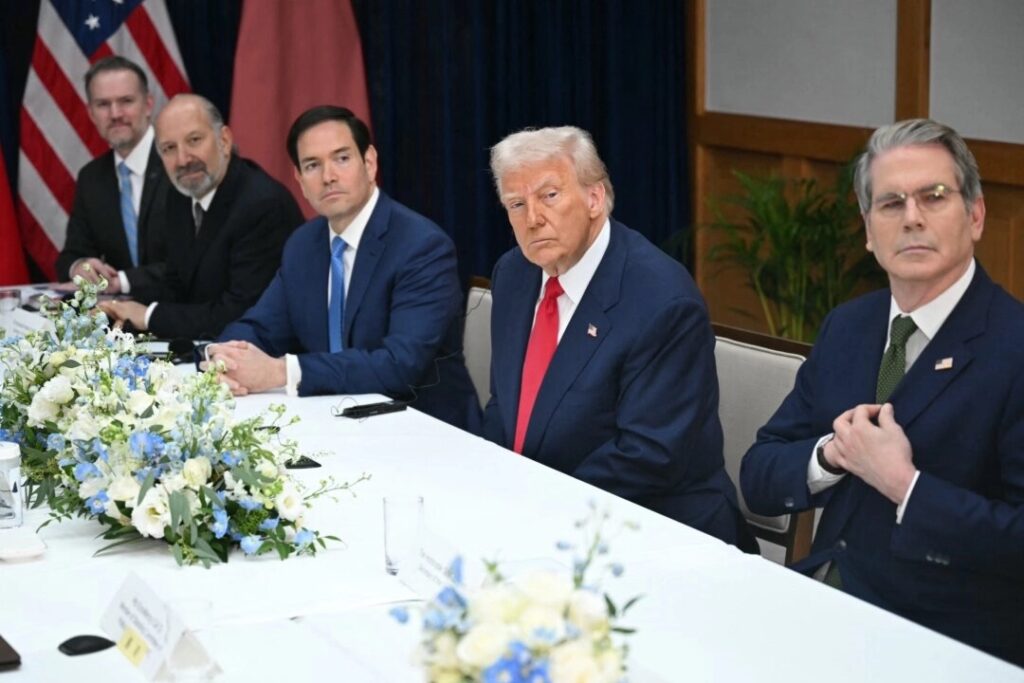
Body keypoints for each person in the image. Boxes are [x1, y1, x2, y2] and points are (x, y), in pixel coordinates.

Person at [740, 119, 1024, 666]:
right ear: (868, 230)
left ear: (976, 215)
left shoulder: (1014, 347)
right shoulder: (849, 326)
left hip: (947, 637)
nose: (912, 217)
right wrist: (830, 456)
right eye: (891, 203)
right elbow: (760, 475)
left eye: (933, 197)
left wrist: (905, 485)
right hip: (825, 599)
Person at [483, 126, 753, 549]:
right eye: (517, 204)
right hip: (536, 515)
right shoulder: (514, 273)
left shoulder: (662, 301)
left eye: (549, 196)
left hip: (653, 530)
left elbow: (647, 455)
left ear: (595, 198)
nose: (532, 218)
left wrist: (537, 512)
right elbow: (505, 406)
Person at [206, 105, 480, 431]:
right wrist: (222, 358)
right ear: (299, 180)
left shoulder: (421, 246)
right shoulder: (303, 245)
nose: (328, 176)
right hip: (334, 422)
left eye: (342, 158)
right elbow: (261, 328)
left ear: (370, 162)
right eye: (312, 165)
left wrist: (282, 372)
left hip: (424, 429)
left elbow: (399, 365)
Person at [100, 94, 303, 340]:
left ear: (224, 141)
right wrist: (115, 309)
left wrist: (149, 315)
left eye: (194, 140)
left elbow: (242, 314)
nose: (183, 160)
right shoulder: (180, 195)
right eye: (169, 148)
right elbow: (177, 285)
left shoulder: (262, 205)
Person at [55, 56, 170, 302]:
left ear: (148, 105)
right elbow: (71, 254)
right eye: (103, 104)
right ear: (91, 113)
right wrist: (80, 267)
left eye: (126, 101)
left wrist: (124, 281)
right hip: (118, 316)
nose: (115, 114)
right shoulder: (92, 177)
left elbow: (193, 261)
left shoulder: (178, 162)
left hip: (186, 311)